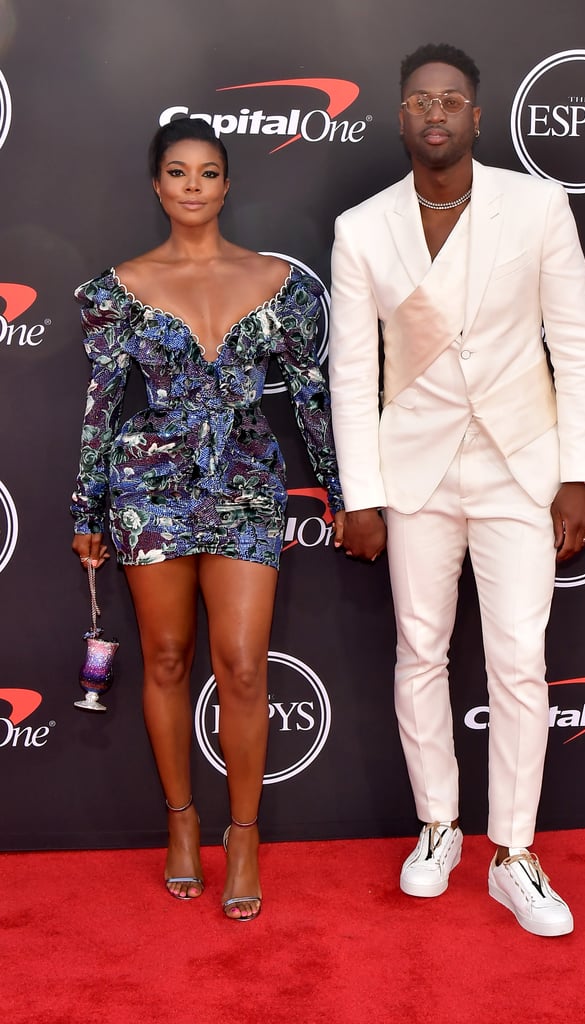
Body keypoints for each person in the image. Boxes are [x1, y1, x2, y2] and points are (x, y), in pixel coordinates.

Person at [328, 43, 585, 937]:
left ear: (477, 117)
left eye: (452, 100)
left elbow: (574, 340)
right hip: (417, 469)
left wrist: (577, 475)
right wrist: (359, 493)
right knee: (420, 648)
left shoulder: (537, 202)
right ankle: (438, 826)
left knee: (519, 658)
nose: (436, 112)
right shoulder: (362, 227)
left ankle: (515, 852)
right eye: (419, 100)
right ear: (400, 117)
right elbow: (353, 374)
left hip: (522, 461)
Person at [71, 117, 344, 922]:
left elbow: (308, 397)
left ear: (228, 185)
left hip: (249, 486)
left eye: (209, 172)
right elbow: (98, 406)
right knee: (164, 656)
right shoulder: (115, 290)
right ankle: (182, 825)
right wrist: (86, 505)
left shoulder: (279, 283)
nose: (194, 186)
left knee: (245, 667)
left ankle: (246, 835)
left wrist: (336, 488)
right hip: (147, 488)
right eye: (179, 172)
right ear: (158, 186)